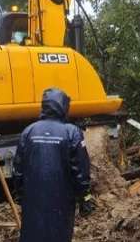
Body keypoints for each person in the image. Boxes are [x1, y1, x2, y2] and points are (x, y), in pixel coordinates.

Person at [13, 88, 93, 242]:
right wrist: (85, 197)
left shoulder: (29, 131)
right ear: (64, 106)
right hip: (61, 201)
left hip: (33, 200)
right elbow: (81, 170)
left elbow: (18, 169)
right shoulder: (71, 132)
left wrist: (21, 194)